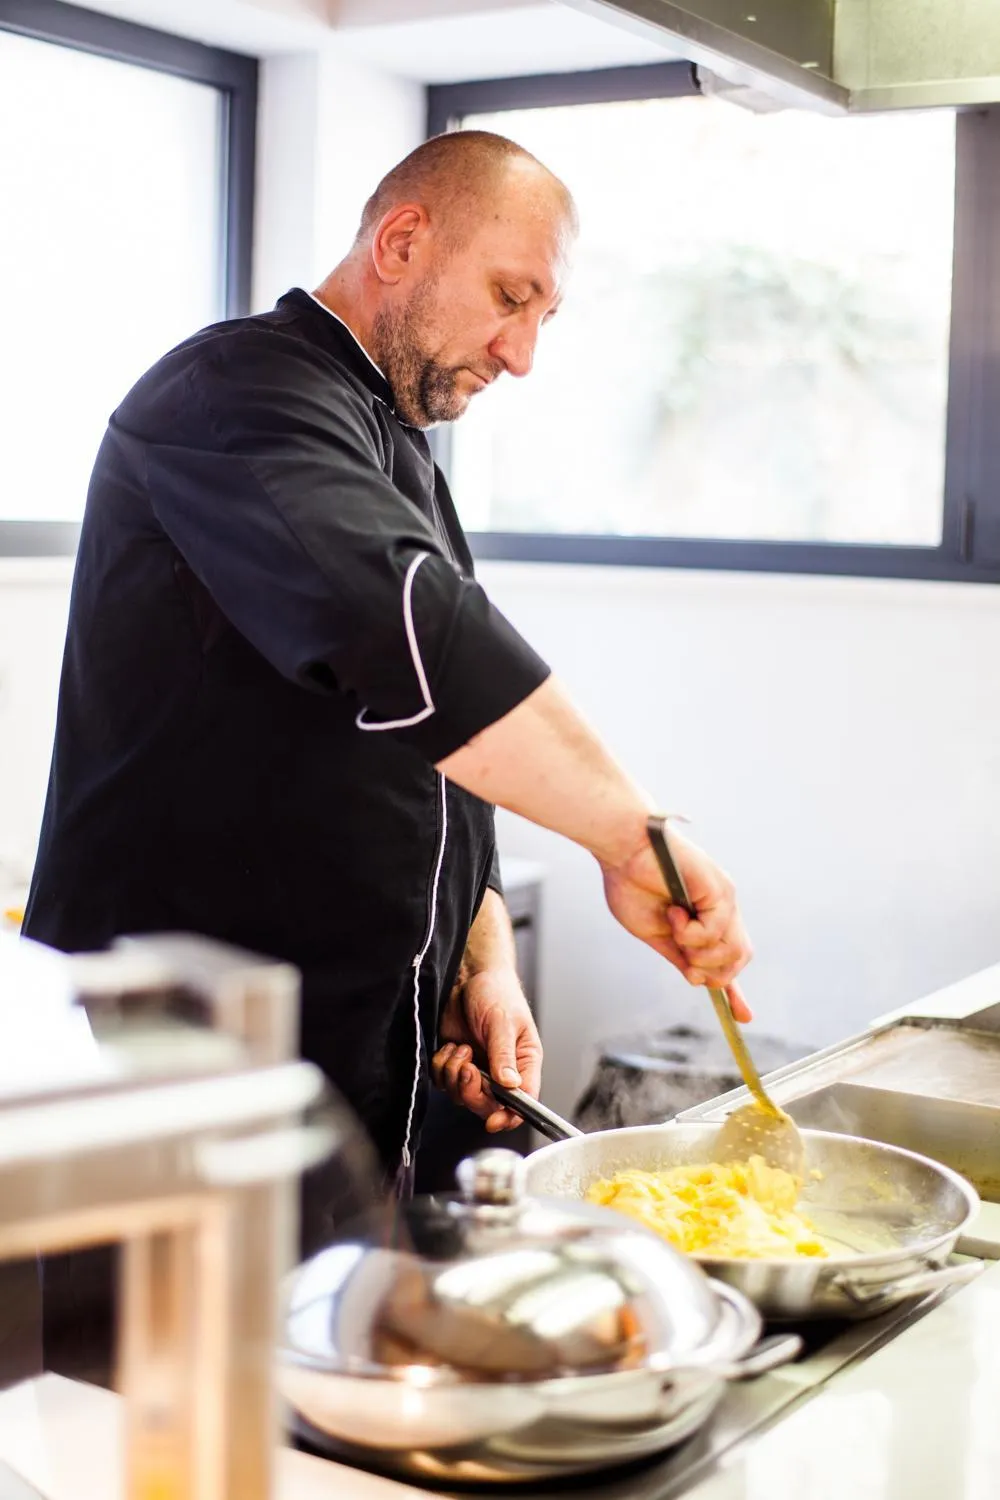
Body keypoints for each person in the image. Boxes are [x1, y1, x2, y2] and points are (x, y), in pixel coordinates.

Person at [24, 130, 752, 1366]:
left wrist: (481, 960)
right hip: (175, 1076)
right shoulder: (231, 396)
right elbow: (412, 639)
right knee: (158, 1415)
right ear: (402, 242)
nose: (521, 353)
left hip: (343, 1074)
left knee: (320, 1402)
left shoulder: (390, 436)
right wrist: (637, 838)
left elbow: (430, 741)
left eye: (545, 318)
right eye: (510, 298)